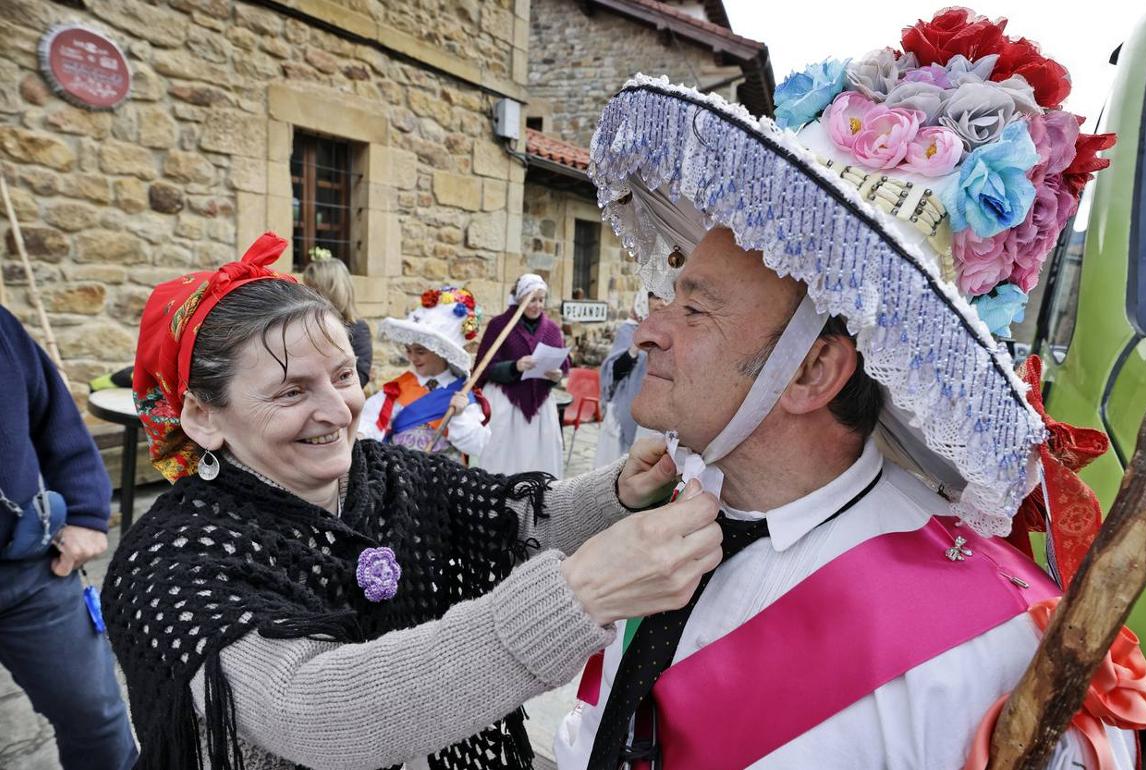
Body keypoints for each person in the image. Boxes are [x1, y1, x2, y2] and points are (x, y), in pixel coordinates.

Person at [557, 9, 1146, 769]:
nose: (645, 332)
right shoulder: (660, 539)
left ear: (812, 372)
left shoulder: (981, 644)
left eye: (694, 309)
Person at [102, 232, 728, 770]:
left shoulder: (384, 476)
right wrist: (575, 599)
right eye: (291, 391)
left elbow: (508, 522)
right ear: (203, 417)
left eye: (344, 376)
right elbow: (311, 707)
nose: (336, 410)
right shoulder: (168, 564)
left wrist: (621, 490)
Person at [0, 305, 138, 770]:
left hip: (30, 570)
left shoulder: (1, 328)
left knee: (95, 717)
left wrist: (83, 512)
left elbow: (54, 418)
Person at [357, 286, 491, 463]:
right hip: (404, 478)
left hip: (445, 481)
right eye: (409, 350)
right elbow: (371, 422)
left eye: (420, 351)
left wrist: (458, 416)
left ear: (440, 351)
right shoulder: (396, 389)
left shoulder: (462, 392)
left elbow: (478, 445)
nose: (413, 358)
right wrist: (360, 435)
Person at [475, 273, 569, 478]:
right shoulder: (499, 326)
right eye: (531, 299)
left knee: (539, 460)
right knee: (503, 460)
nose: (537, 305)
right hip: (506, 402)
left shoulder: (552, 330)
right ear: (519, 299)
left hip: (541, 406)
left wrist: (556, 376)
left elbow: (562, 366)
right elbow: (485, 367)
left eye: (541, 299)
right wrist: (515, 366)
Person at [592, 290, 665, 468]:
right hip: (625, 408)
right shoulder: (628, 330)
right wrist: (634, 350)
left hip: (656, 411)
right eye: (656, 298)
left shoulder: (669, 333)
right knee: (619, 466)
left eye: (666, 297)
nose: (662, 303)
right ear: (644, 300)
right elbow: (614, 372)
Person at [303, 247, 373, 387]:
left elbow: (359, 379)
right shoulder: (305, 323)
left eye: (312, 289)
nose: (306, 294)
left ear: (329, 291)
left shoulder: (357, 329)